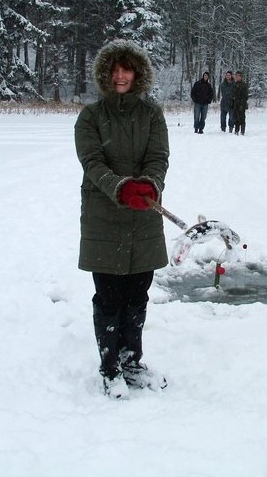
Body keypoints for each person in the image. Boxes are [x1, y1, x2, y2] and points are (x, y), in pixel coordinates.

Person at [74, 39, 170, 400]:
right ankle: (110, 367)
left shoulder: (152, 114)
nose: (119, 76)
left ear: (137, 73)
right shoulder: (91, 117)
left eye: (126, 69)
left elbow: (158, 157)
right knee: (109, 296)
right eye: (114, 70)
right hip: (103, 218)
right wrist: (121, 187)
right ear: (105, 74)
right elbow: (92, 162)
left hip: (144, 216)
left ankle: (132, 361)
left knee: (137, 294)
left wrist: (149, 184)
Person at [232, 71, 249, 136]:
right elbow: (233, 94)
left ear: (241, 77)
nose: (236, 77)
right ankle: (236, 131)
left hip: (242, 104)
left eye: (238, 76)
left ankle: (242, 131)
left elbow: (245, 96)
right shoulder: (235, 85)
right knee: (236, 118)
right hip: (236, 104)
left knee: (242, 118)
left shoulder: (244, 85)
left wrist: (242, 104)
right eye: (236, 76)